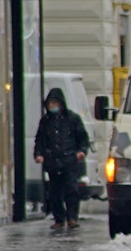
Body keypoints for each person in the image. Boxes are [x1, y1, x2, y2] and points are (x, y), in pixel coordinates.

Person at [33, 87, 90, 230]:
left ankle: (72, 218)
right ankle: (59, 218)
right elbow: (40, 139)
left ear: (61, 104)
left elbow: (82, 137)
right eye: (49, 104)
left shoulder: (72, 119)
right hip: (53, 161)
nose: (52, 106)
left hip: (69, 160)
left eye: (54, 103)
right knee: (54, 193)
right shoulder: (45, 121)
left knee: (71, 191)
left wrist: (81, 151)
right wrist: (38, 154)